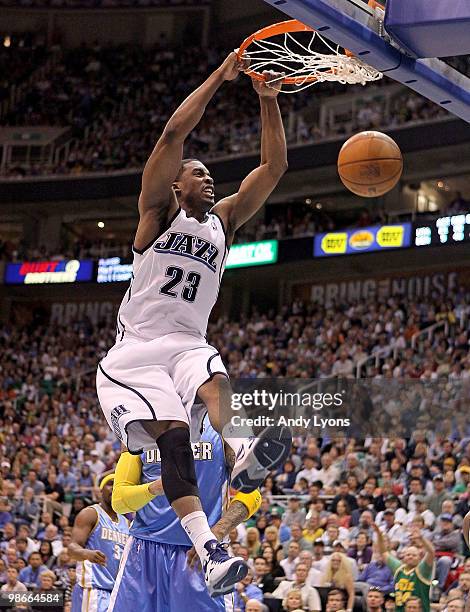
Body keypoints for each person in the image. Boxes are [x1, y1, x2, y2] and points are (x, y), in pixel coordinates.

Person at [95, 50, 291, 596]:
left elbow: (272, 169)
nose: (208, 178)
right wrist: (219, 78)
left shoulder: (224, 221)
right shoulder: (159, 214)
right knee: (175, 443)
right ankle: (207, 544)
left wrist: (268, 102)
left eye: (209, 175)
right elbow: (172, 135)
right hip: (136, 352)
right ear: (176, 186)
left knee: (215, 380)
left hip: (185, 343)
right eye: (197, 174)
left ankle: (239, 462)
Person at [109, 412, 262, 612]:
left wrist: (213, 535)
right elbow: (119, 501)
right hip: (144, 551)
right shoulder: (141, 424)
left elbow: (252, 493)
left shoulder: (222, 426)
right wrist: (155, 487)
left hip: (199, 555)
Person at [69, 474, 130, 612]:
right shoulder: (90, 514)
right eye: (110, 484)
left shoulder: (127, 523)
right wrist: (86, 553)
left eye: (118, 485)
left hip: (116, 593)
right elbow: (71, 548)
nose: (114, 488)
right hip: (93, 588)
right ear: (100, 491)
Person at [373, 522, 434, 611]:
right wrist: (379, 535)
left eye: (414, 555)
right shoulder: (399, 568)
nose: (410, 556)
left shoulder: (422, 570)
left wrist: (421, 538)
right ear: (403, 557)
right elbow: (383, 552)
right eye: (408, 554)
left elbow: (431, 552)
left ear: (419, 558)